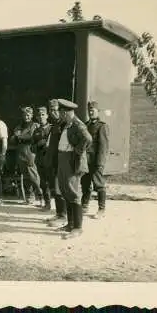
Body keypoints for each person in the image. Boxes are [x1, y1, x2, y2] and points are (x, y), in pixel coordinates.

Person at [55, 99, 92, 239]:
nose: (60, 115)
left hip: (72, 161)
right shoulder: (68, 124)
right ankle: (70, 224)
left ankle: (77, 227)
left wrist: (77, 151)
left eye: (61, 112)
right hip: (63, 159)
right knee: (66, 191)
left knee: (74, 193)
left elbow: (88, 139)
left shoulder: (77, 124)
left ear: (66, 112)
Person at [81, 101, 110, 219]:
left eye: (93, 110)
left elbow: (104, 147)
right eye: (89, 110)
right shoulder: (86, 125)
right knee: (85, 184)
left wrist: (100, 163)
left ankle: (101, 209)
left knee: (99, 185)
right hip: (86, 161)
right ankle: (84, 206)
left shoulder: (102, 126)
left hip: (95, 161)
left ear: (98, 111)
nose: (91, 112)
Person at [10, 106, 43, 205]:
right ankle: (30, 196)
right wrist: (17, 137)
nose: (26, 116)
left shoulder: (34, 126)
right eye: (24, 114)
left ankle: (41, 195)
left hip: (30, 153)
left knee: (33, 176)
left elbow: (31, 137)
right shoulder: (19, 126)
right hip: (20, 153)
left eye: (28, 115)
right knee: (25, 177)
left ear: (32, 115)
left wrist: (19, 136)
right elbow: (12, 140)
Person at [44, 99, 68, 227]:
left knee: (61, 189)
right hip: (53, 162)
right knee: (55, 188)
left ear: (60, 110)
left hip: (61, 162)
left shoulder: (64, 124)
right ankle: (58, 213)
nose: (53, 113)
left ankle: (63, 216)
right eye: (51, 110)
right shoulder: (55, 125)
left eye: (55, 110)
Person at [32, 106, 53, 211]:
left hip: (50, 160)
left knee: (53, 183)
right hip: (40, 160)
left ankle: (60, 210)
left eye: (43, 115)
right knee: (43, 183)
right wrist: (38, 145)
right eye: (39, 115)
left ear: (47, 116)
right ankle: (47, 203)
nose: (41, 117)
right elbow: (32, 148)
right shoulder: (36, 131)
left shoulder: (52, 128)